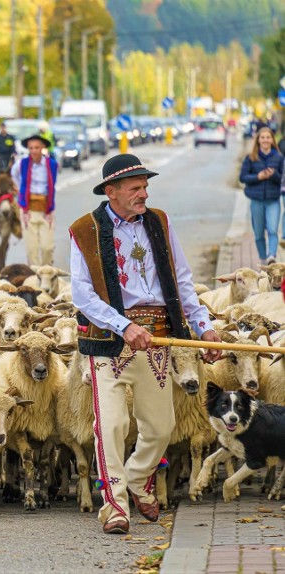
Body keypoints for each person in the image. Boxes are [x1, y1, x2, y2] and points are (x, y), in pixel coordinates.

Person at [69, 153, 222, 536]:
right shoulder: (85, 230)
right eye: (135, 188)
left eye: (145, 186)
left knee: (161, 426)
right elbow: (82, 295)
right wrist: (123, 326)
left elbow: (182, 279)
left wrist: (203, 327)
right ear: (112, 191)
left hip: (157, 337)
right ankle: (115, 505)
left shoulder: (160, 222)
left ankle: (138, 479)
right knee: (112, 423)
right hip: (109, 341)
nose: (144, 193)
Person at [11, 134, 58, 266]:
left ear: (43, 148)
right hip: (28, 209)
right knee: (32, 249)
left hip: (46, 209)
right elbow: (14, 175)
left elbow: (52, 184)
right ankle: (35, 277)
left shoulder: (52, 164)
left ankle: (47, 272)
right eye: (31, 148)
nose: (33, 151)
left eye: (36, 147)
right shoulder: (22, 164)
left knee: (47, 247)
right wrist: (21, 189)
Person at [239, 126, 282, 264]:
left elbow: (282, 179)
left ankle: (271, 256)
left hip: (273, 200)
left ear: (272, 140)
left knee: (273, 230)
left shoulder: (279, 157)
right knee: (258, 233)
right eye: (262, 137)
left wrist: (273, 175)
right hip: (256, 200)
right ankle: (263, 259)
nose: (265, 140)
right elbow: (243, 177)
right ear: (258, 140)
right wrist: (258, 176)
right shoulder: (251, 158)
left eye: (268, 137)